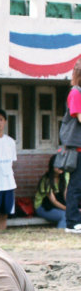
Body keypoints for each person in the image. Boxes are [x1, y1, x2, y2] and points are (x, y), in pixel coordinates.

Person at [64, 57, 81, 233]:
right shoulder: (76, 92)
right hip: (77, 149)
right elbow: (79, 116)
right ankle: (72, 222)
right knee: (75, 185)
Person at [33, 156, 69, 229]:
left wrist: (72, 207)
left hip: (59, 204)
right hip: (43, 207)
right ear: (52, 166)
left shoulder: (66, 175)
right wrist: (68, 209)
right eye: (58, 165)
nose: (61, 167)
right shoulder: (47, 180)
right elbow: (53, 201)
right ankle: (61, 235)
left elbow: (66, 195)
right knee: (65, 215)